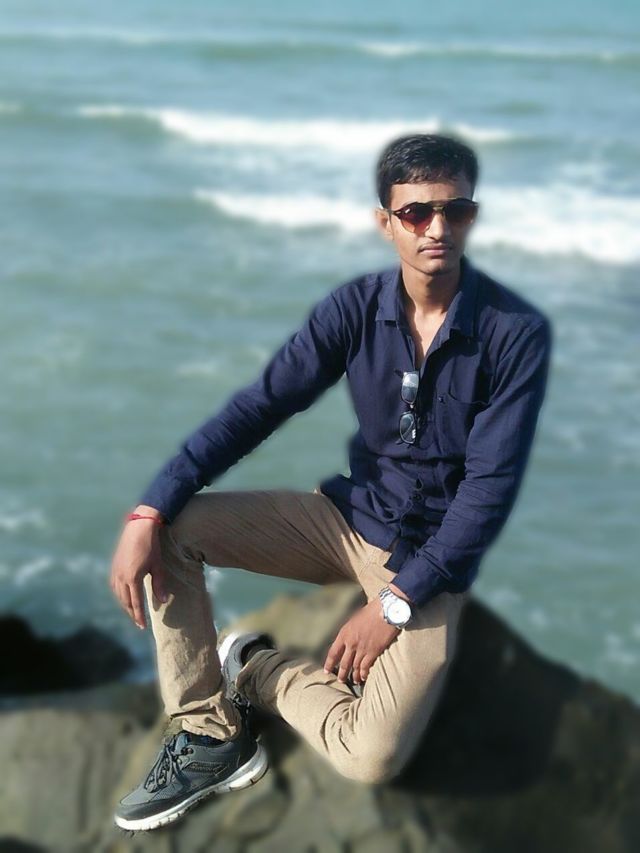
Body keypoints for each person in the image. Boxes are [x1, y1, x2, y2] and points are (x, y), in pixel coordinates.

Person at [110, 133, 552, 831]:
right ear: (386, 222)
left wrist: (395, 604)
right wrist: (148, 508)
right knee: (175, 528)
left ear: (472, 215)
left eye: (455, 210)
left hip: (430, 563)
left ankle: (256, 670)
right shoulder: (354, 309)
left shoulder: (514, 332)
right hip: (348, 519)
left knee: (370, 756)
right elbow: (259, 407)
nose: (437, 228)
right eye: (416, 213)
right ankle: (208, 733)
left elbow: (487, 492)